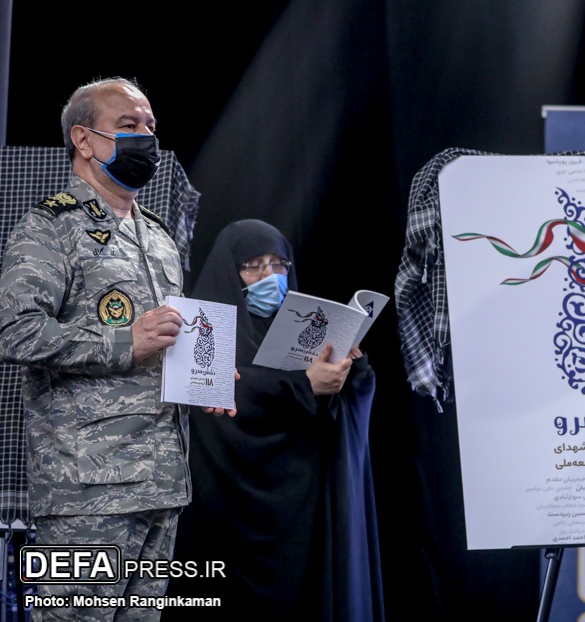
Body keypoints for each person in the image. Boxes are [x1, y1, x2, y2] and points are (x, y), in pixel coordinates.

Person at [0, 76, 234, 621]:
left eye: (150, 126)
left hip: (161, 483)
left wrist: (204, 372)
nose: (145, 138)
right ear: (84, 140)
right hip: (84, 491)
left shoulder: (158, 235)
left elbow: (163, 338)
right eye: (128, 126)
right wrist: (125, 340)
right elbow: (15, 331)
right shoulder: (49, 226)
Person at [164, 219, 384, 621]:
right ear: (229, 271)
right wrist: (303, 385)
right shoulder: (200, 329)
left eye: (279, 264)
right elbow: (215, 398)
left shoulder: (303, 328)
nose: (269, 276)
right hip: (228, 513)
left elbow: (336, 405)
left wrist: (350, 369)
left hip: (301, 510)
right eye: (253, 265)